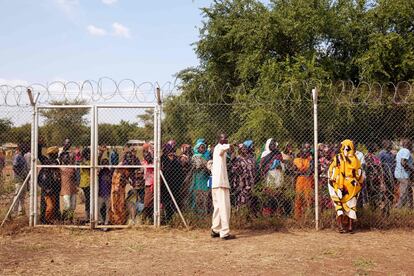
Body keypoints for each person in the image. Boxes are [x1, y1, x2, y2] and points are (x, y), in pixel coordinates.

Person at [328, 139, 364, 233]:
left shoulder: (338, 157)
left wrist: (334, 178)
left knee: (339, 204)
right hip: (352, 185)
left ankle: (340, 227)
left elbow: (331, 169)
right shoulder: (355, 158)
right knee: (352, 205)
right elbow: (359, 174)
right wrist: (359, 183)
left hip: (339, 185)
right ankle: (350, 227)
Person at [211, 133, 235, 240]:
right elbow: (222, 149)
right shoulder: (219, 148)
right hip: (220, 183)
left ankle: (215, 229)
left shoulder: (219, 149)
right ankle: (224, 232)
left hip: (216, 183)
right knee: (224, 207)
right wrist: (231, 145)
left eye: (226, 138)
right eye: (223, 138)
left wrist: (229, 146)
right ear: (219, 140)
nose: (225, 139)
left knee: (217, 207)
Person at [259, 138, 285, 216]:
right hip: (269, 176)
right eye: (271, 144)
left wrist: (280, 166)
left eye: (274, 144)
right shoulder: (265, 154)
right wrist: (270, 166)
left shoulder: (278, 153)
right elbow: (261, 166)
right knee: (269, 195)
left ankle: (277, 212)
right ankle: (268, 212)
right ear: (268, 145)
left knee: (278, 195)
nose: (273, 146)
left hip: (278, 175)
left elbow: (283, 165)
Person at [161, 144, 185, 223]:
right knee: (166, 202)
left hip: (175, 185)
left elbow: (180, 173)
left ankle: (171, 218)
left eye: (172, 152)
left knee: (174, 202)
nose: (171, 154)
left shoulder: (176, 161)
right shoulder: (163, 159)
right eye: (169, 152)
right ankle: (165, 218)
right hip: (165, 185)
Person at [38, 146, 61, 224]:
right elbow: (39, 155)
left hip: (54, 186)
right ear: (53, 154)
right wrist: (39, 144)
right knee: (47, 205)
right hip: (46, 186)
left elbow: (57, 175)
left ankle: (52, 218)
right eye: (56, 153)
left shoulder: (56, 162)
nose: (57, 155)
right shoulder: (46, 161)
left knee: (54, 205)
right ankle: (44, 219)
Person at [231, 141, 257, 209]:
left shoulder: (251, 159)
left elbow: (254, 169)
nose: (244, 150)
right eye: (243, 149)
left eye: (245, 148)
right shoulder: (238, 159)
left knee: (250, 200)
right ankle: (240, 213)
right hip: (242, 183)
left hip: (251, 182)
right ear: (240, 150)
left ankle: (247, 213)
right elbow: (234, 170)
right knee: (242, 198)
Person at [109, 153, 134, 225]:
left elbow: (126, 177)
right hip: (117, 187)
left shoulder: (124, 166)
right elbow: (119, 178)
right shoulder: (121, 166)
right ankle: (116, 221)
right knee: (116, 204)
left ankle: (119, 221)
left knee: (120, 204)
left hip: (120, 187)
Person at [190, 140, 211, 214]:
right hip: (199, 177)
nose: (203, 149)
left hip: (205, 177)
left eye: (204, 147)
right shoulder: (196, 156)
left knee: (205, 194)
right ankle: (198, 212)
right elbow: (198, 167)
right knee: (199, 194)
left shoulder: (205, 156)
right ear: (197, 148)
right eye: (201, 147)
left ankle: (204, 211)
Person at [293, 144, 314, 220]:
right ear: (301, 151)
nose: (305, 152)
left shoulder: (310, 160)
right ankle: (298, 217)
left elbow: (310, 171)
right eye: (304, 150)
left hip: (308, 181)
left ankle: (307, 217)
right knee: (298, 198)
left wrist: (301, 171)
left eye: (307, 151)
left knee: (308, 198)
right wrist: (302, 171)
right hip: (300, 180)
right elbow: (295, 171)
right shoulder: (296, 160)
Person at [364, 143, 385, 210]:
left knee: (370, 193)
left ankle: (373, 206)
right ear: (372, 148)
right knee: (376, 193)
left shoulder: (365, 156)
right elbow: (379, 168)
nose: (376, 148)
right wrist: (381, 179)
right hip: (375, 178)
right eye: (375, 146)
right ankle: (376, 206)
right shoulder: (374, 157)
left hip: (368, 178)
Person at [394, 139, 414, 208]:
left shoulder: (401, 150)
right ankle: (399, 207)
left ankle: (410, 206)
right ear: (408, 145)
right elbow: (403, 163)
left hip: (399, 173)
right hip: (403, 174)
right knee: (404, 191)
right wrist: (412, 169)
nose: (412, 146)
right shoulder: (406, 151)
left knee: (409, 190)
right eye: (411, 144)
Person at [378, 140, 396, 215]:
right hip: (384, 175)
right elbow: (380, 165)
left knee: (390, 191)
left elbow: (394, 163)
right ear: (384, 145)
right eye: (388, 145)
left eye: (390, 145)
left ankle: (388, 208)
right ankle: (383, 208)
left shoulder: (391, 154)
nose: (390, 146)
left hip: (391, 176)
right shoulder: (381, 153)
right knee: (384, 191)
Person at [60, 152, 78, 222]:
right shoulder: (60, 167)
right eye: (65, 157)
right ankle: (64, 218)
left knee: (73, 206)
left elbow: (75, 178)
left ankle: (70, 218)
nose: (67, 158)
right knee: (67, 206)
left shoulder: (72, 167)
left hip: (73, 188)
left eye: (68, 157)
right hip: (65, 189)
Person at [12, 145, 29, 216]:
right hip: (19, 178)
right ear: (20, 149)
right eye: (23, 148)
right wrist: (20, 175)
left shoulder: (23, 157)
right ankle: (13, 212)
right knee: (17, 195)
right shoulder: (18, 156)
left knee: (22, 195)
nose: (25, 149)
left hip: (24, 178)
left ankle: (21, 211)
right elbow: (14, 167)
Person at [142, 143, 155, 222]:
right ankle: (144, 218)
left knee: (152, 201)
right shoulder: (146, 157)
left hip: (154, 181)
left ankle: (150, 218)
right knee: (147, 201)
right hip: (149, 182)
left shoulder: (153, 155)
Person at [98, 158, 113, 225]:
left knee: (108, 209)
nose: (105, 164)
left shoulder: (110, 172)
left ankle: (106, 222)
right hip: (101, 194)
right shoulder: (101, 172)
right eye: (104, 163)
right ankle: (101, 221)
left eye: (106, 163)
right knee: (98, 208)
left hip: (108, 193)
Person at [79, 147, 91, 221]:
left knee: (89, 199)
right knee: (88, 200)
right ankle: (87, 216)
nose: (89, 155)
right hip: (86, 183)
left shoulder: (89, 161)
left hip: (89, 182)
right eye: (88, 153)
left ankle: (90, 215)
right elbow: (86, 167)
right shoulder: (83, 162)